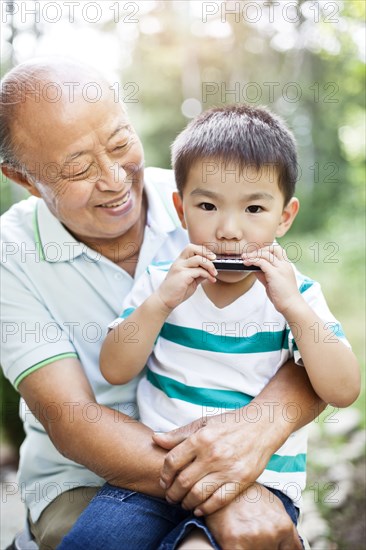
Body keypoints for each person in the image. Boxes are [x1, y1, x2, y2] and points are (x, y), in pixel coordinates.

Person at [0, 58, 333, 550]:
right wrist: (224, 491)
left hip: (237, 460)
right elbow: (72, 421)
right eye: (78, 168)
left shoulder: (212, 199)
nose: (115, 179)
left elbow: (301, 342)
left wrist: (258, 429)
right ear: (23, 178)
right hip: (83, 480)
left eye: (119, 144)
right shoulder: (11, 256)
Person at [60, 105, 360, 550]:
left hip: (257, 485)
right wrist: (160, 303)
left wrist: (293, 308)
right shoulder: (161, 282)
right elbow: (115, 368)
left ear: (285, 216)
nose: (229, 229)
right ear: (181, 209)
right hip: (152, 479)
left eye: (255, 208)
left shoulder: (297, 296)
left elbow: (343, 388)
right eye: (207, 205)